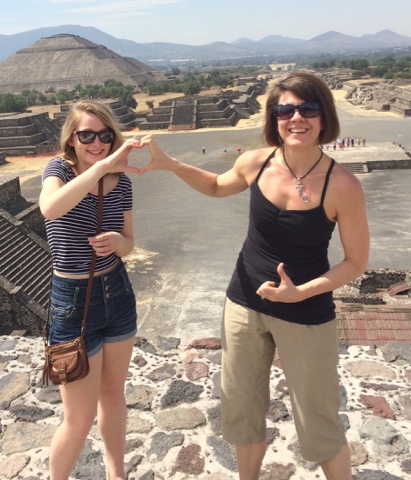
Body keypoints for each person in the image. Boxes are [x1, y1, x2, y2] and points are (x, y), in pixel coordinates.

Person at [137, 71, 369, 480]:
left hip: (306, 311)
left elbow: (355, 261)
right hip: (244, 301)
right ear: (273, 117)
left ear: (324, 116)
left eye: (308, 108)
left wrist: (302, 292)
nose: (296, 118)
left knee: (319, 419)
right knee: (241, 408)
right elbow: (215, 185)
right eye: (285, 110)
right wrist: (170, 164)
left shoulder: (342, 185)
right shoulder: (256, 162)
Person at [39, 100, 143, 480]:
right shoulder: (58, 171)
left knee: (114, 396)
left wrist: (117, 242)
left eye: (105, 135)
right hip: (73, 300)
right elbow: (50, 208)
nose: (97, 143)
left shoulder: (123, 183)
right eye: (87, 135)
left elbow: (130, 243)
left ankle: (117, 474)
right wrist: (100, 168)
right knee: (78, 419)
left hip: (117, 292)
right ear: (72, 138)